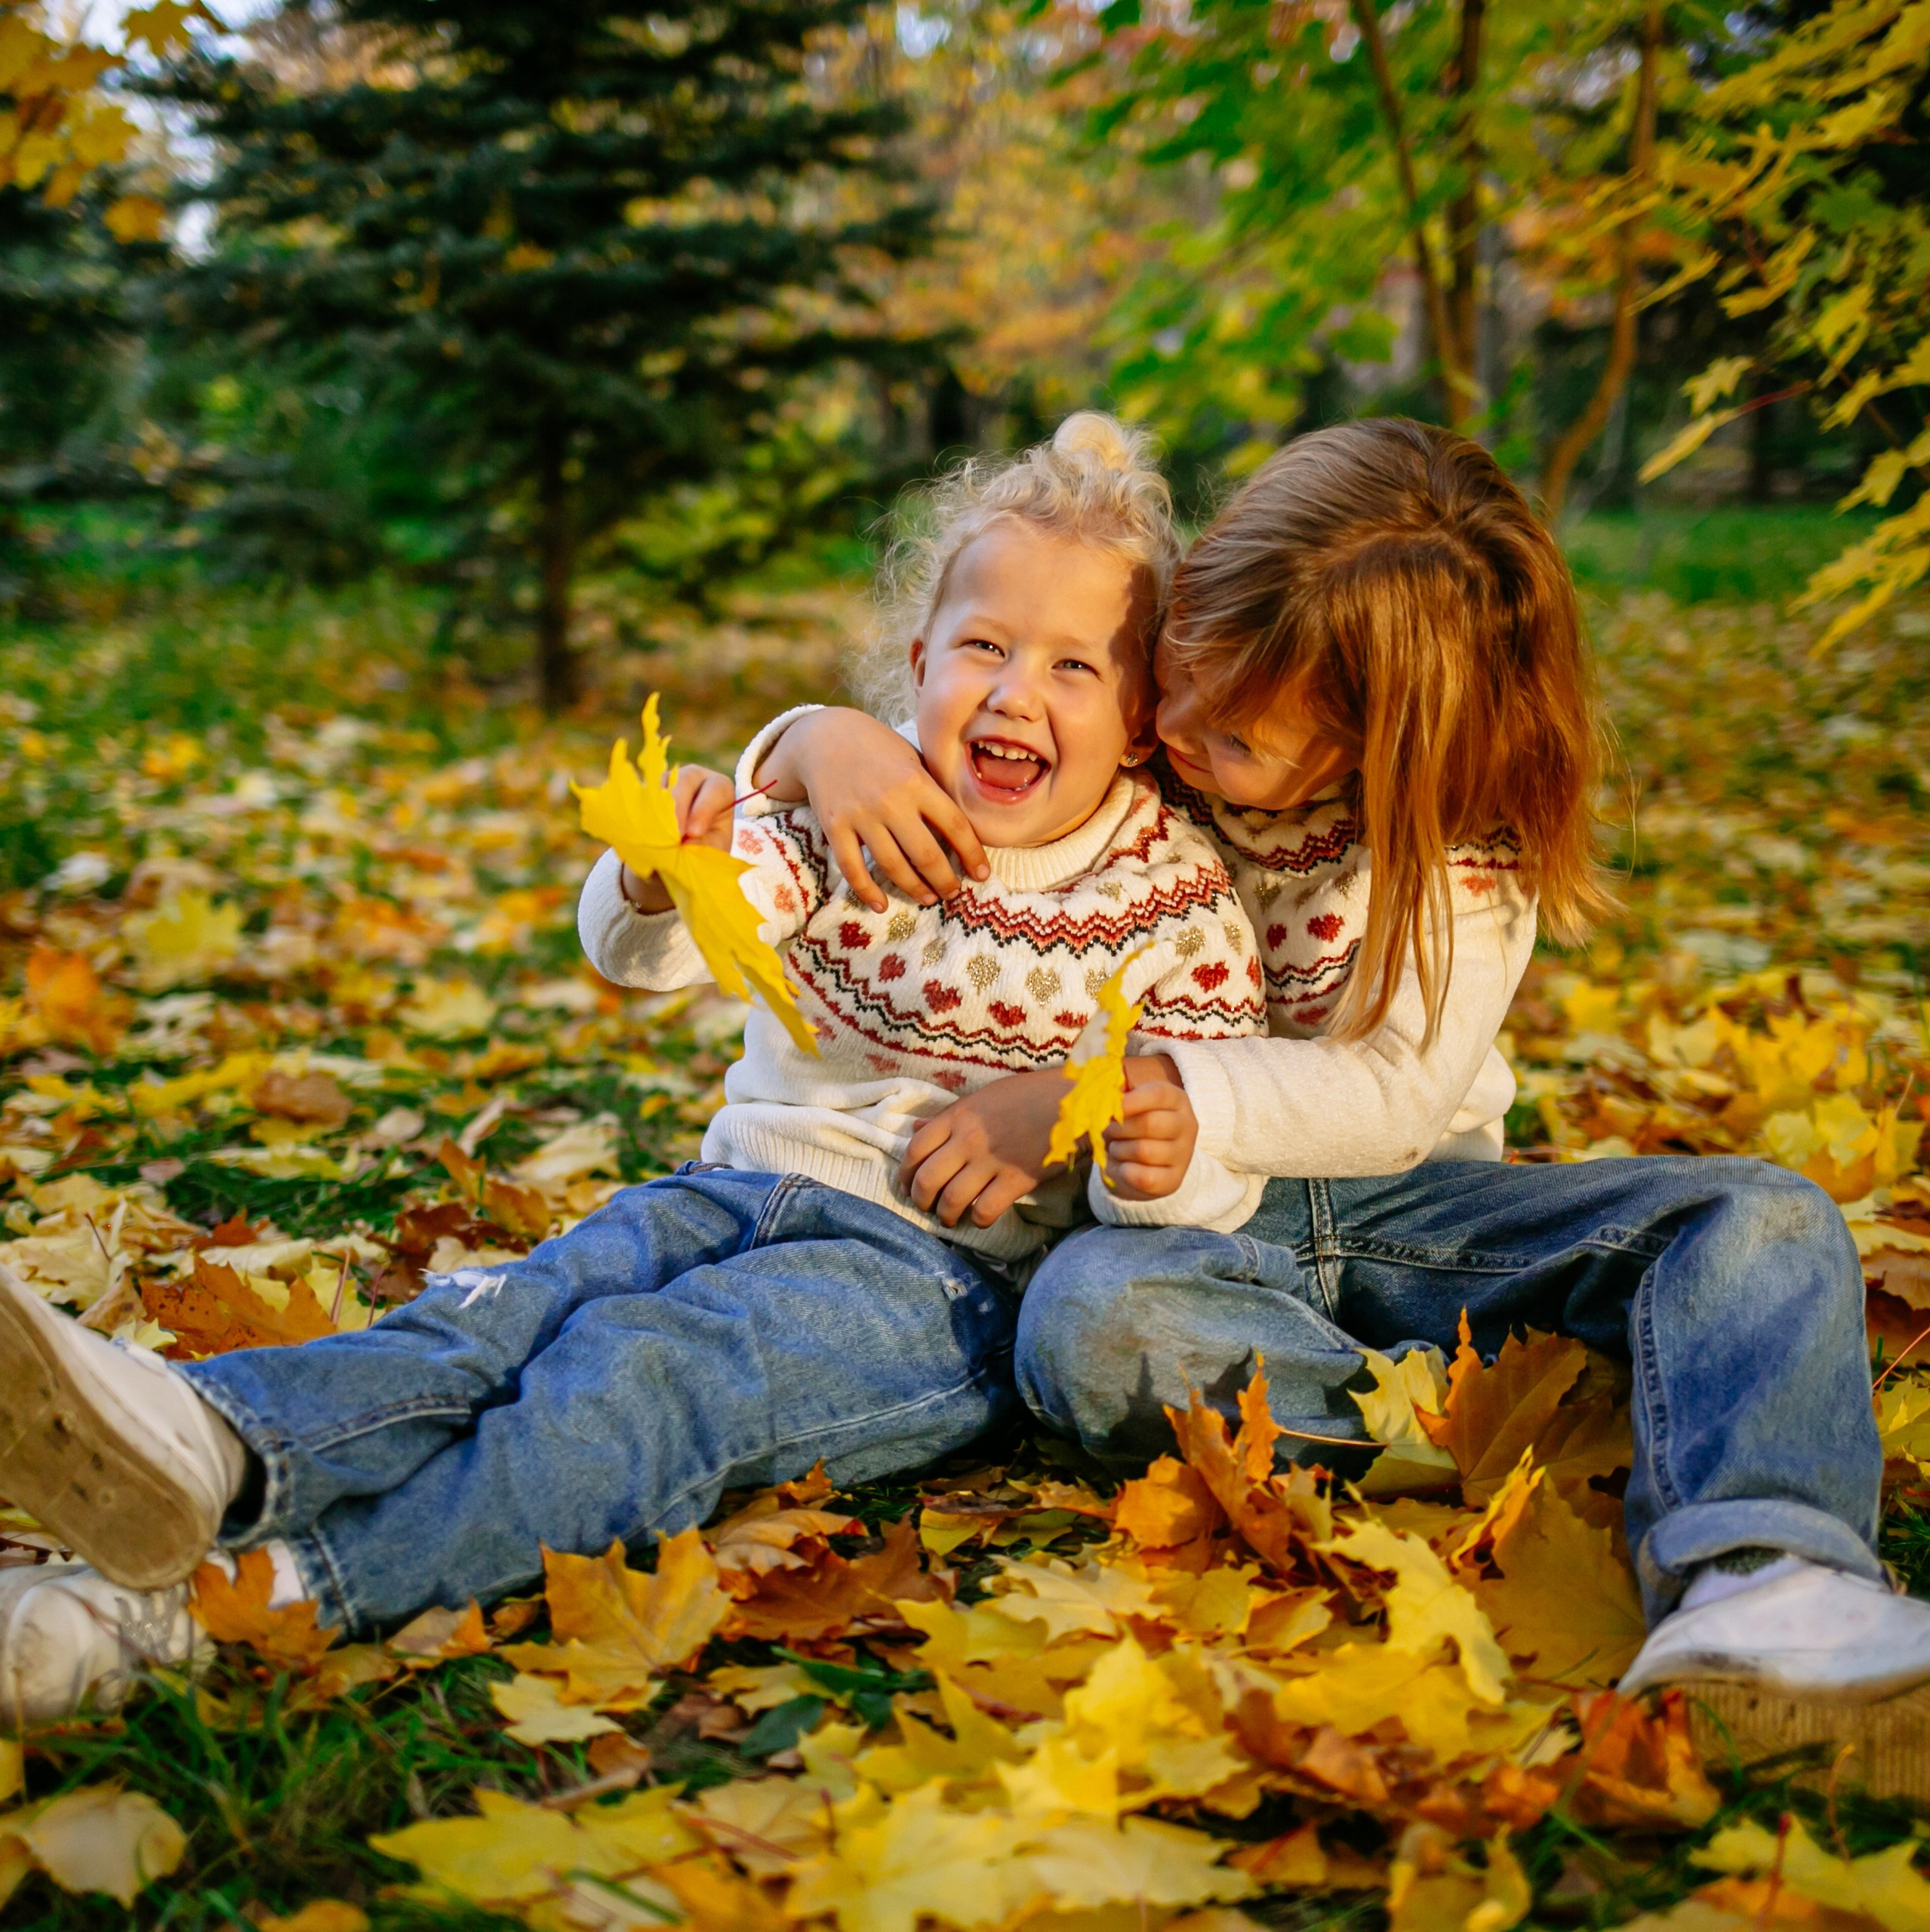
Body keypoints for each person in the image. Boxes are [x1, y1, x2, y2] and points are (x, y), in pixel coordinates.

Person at [0, 414, 1266, 1722]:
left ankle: (226, 1607)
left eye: (1073, 668)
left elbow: (1201, 1170)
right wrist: (662, 870)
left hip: (940, 1282)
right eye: (986, 648)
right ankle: (203, 1441)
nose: (1014, 694)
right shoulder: (858, 806)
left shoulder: (1172, 902)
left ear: (1139, 724)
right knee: (514, 1309)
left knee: (642, 1377)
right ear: (920, 661)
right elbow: (642, 955)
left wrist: (1114, 1133)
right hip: (728, 1192)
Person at [739, 417, 1930, 1747]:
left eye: (1237, 736)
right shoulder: (1170, 732)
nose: (1174, 731)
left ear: (1382, 753)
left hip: (1406, 1211)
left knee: (1761, 1218)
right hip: (1183, 1230)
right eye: (1179, 673)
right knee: (1087, 1330)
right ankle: (1496, 1409)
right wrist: (816, 734)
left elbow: (1397, 1098)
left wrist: (1106, 1086)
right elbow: (984, 698)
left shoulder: (1463, 863)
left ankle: (1769, 1574)